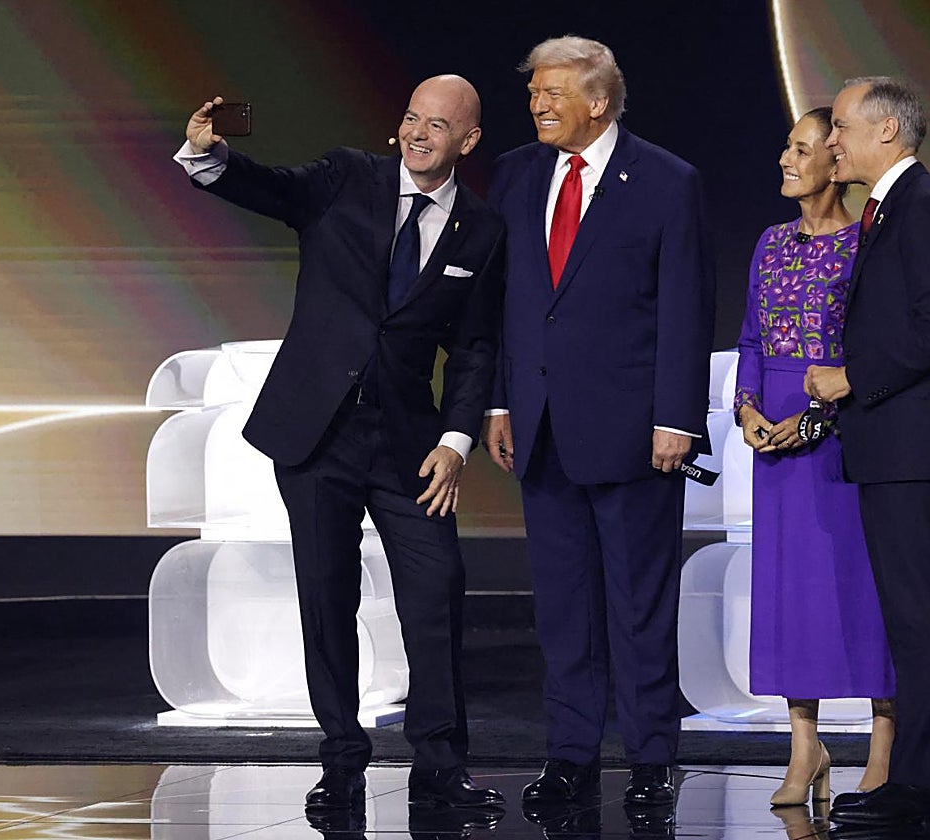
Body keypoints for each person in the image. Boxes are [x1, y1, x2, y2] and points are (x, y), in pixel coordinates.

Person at [173, 75, 506, 812]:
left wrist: (455, 441)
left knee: (437, 591)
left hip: (410, 445)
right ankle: (343, 764)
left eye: (439, 126)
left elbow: (477, 347)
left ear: (469, 140)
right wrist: (210, 156)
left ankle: (442, 769)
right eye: (412, 118)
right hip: (316, 433)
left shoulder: (481, 230)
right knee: (326, 599)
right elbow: (267, 188)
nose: (420, 134)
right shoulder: (346, 177)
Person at [482, 36, 715, 807]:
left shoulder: (664, 180)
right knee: (563, 607)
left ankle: (652, 761)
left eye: (552, 92)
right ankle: (572, 756)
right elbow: (507, 303)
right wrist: (500, 400)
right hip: (541, 430)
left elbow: (686, 305)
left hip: (635, 431)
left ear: (599, 101)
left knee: (639, 604)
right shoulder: (516, 174)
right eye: (534, 93)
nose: (537, 104)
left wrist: (677, 418)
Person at [804, 77, 930, 829]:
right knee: (909, 618)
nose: (832, 139)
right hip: (893, 443)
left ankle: (922, 785)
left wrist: (852, 377)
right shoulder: (892, 208)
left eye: (842, 125)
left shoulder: (928, 207)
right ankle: (915, 780)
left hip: (915, 444)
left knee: (920, 617)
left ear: (886, 130)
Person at [734, 107, 895, 809]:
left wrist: (817, 418)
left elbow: (875, 350)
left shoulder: (867, 245)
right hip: (773, 434)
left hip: (843, 435)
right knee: (790, 593)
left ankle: (885, 742)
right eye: (786, 146)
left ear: (836, 160)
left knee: (862, 587)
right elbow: (748, 338)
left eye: (800, 148)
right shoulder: (770, 241)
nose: (784, 158)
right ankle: (806, 745)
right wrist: (746, 410)